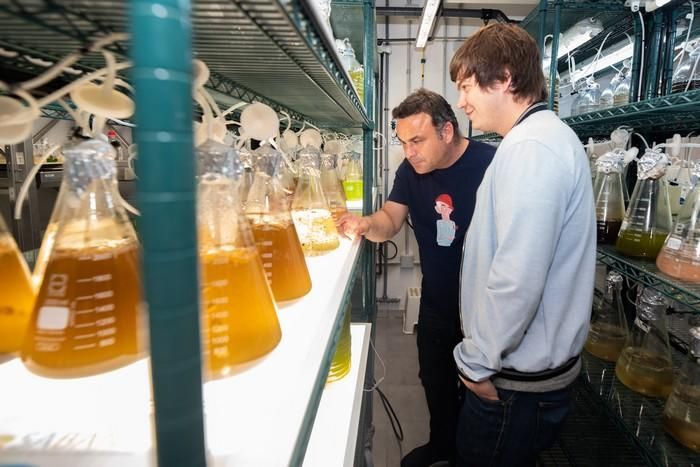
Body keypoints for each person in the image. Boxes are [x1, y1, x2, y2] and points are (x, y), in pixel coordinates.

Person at [448, 23, 596, 466]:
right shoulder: (530, 141)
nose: (462, 101)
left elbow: (518, 276)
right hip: (515, 375)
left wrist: (475, 363)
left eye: (468, 85)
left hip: (516, 385)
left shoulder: (534, 147)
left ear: (506, 78)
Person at [339, 88, 494, 467]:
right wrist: (364, 224)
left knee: (482, 389)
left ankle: (472, 455)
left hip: (488, 305)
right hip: (438, 301)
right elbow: (390, 220)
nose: (409, 151)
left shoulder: (493, 163)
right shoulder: (411, 172)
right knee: (434, 377)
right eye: (404, 142)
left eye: (417, 140)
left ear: (446, 131)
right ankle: (442, 444)